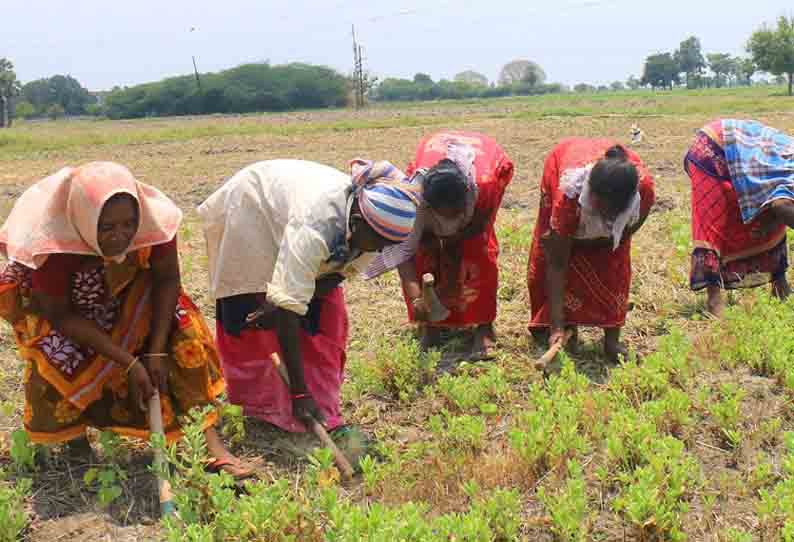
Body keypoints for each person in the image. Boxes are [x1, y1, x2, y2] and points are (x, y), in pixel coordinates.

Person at [0, 162, 249, 477]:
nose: (121, 236)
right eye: (107, 228)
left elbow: (167, 279)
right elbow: (60, 314)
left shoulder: (152, 225)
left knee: (183, 334)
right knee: (55, 354)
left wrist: (155, 351)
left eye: (128, 225)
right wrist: (128, 363)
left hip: (129, 287)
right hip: (68, 309)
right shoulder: (53, 245)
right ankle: (76, 446)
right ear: (86, 221)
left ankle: (214, 447)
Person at [198, 159, 419, 432]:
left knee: (319, 315)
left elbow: (336, 274)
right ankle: (264, 408)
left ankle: (315, 404)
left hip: (294, 208)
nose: (383, 249)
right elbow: (289, 310)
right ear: (358, 222)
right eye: (380, 243)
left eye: (389, 244)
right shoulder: (316, 225)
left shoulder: (375, 230)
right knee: (253, 302)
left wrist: (289, 301)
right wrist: (300, 394)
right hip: (252, 207)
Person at [365, 131, 514, 359]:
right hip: (434, 165)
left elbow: (475, 229)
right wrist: (417, 298)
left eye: (455, 215)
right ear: (428, 205)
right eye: (441, 216)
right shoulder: (413, 196)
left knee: (478, 251)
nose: (449, 222)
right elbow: (403, 251)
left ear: (466, 201)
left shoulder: (485, 187)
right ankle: (432, 325)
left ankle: (484, 326)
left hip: (485, 164)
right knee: (426, 251)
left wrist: (453, 274)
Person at [527, 139, 655, 363]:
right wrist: (556, 327)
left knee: (614, 263)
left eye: (613, 213)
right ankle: (562, 325)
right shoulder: (568, 196)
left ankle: (612, 339)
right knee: (554, 249)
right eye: (601, 209)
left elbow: (622, 241)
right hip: (565, 161)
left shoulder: (643, 191)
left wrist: (597, 243)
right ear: (591, 196)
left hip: (615, 186)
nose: (605, 217)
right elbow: (557, 263)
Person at [686, 119, 794, 316]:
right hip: (713, 148)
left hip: (743, 158)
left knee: (770, 219)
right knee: (712, 224)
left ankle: (780, 286)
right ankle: (714, 300)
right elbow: (781, 205)